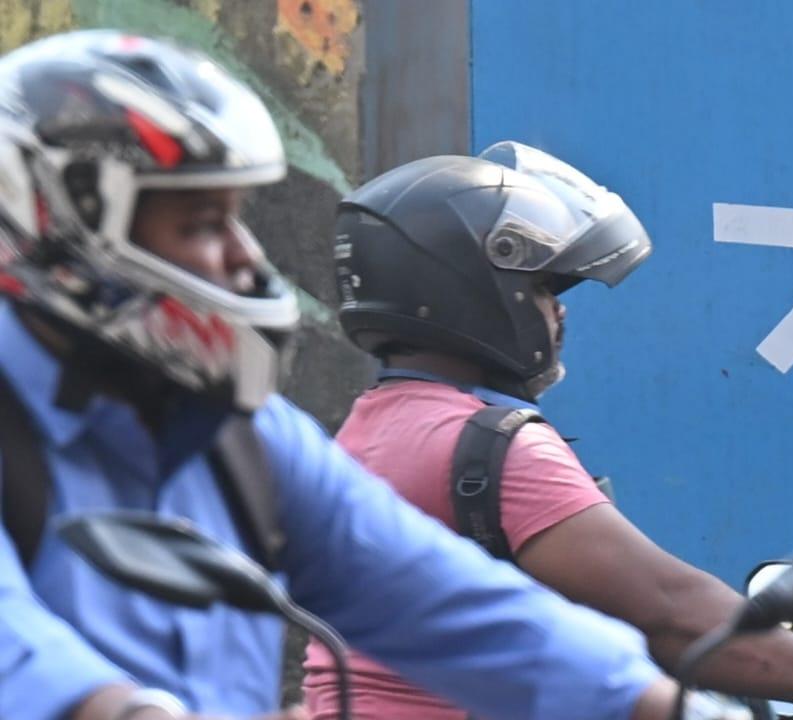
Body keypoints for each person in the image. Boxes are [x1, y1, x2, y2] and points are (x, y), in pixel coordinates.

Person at [0, 29, 701, 720]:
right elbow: (21, 655)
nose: (246, 260)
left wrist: (666, 707)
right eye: (202, 226)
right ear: (59, 232)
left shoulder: (239, 435)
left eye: (239, 222)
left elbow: (438, 597)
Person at [302, 143, 793, 720]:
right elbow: (670, 609)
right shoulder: (493, 448)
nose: (557, 311)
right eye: (539, 288)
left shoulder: (365, 436)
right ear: (471, 290)